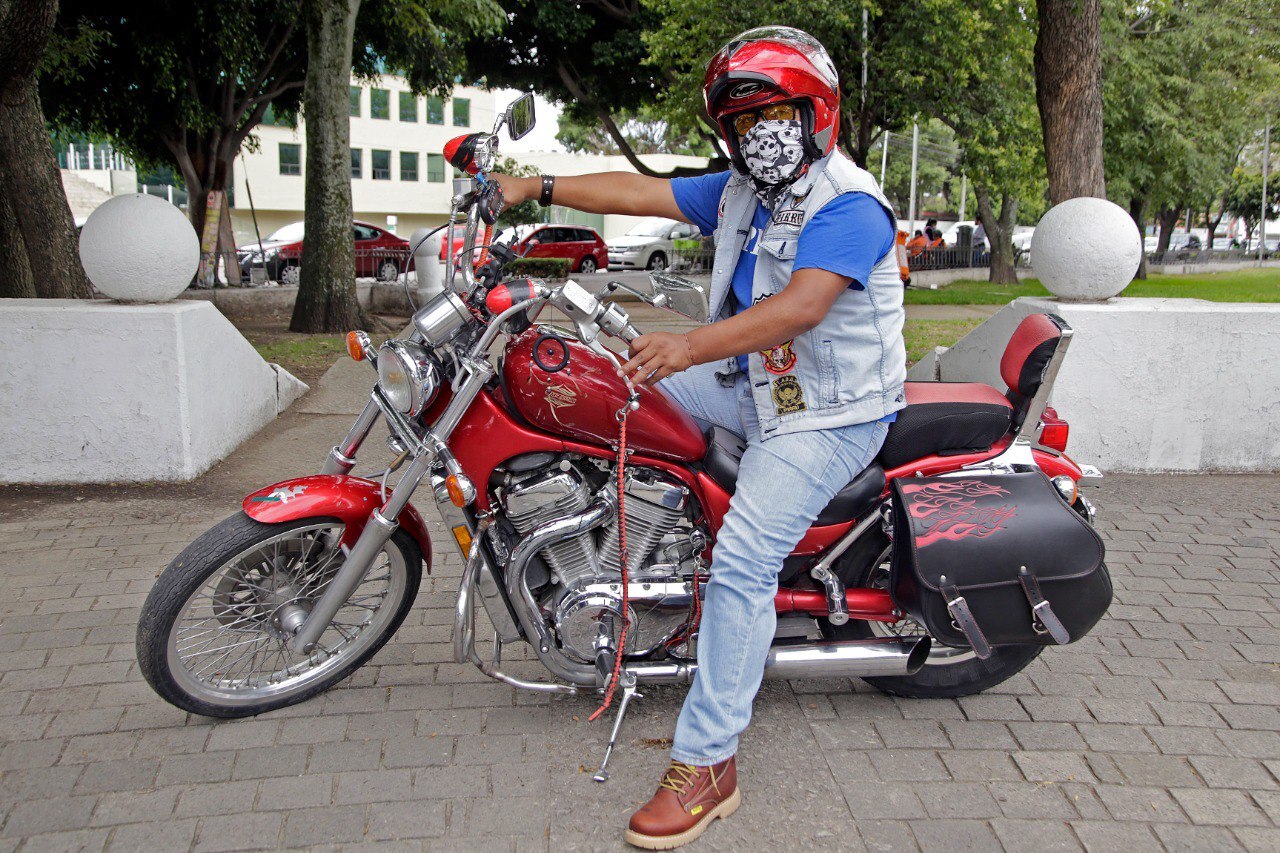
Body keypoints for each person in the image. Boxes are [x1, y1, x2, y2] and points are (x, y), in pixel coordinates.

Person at [493, 26, 905, 850]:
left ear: (816, 112)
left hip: (830, 412)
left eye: (775, 115)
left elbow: (800, 309)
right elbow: (640, 193)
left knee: (746, 556)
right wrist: (531, 184)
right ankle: (614, 557)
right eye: (745, 124)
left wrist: (683, 346)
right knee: (606, 396)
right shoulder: (744, 190)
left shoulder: (850, 204)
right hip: (759, 382)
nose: (761, 136)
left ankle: (709, 760)